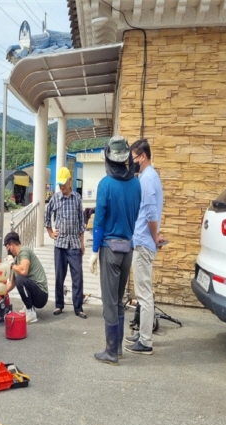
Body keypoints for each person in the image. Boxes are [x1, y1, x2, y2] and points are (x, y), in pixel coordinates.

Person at [89, 136, 141, 366]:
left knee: (109, 302)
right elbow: (136, 215)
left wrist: (93, 251)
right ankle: (118, 349)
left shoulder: (105, 184)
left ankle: (111, 352)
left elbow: (98, 220)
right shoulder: (136, 183)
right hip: (128, 249)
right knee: (119, 300)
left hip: (109, 249)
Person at [125, 139, 165, 356]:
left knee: (144, 295)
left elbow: (150, 213)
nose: (132, 162)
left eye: (133, 157)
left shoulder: (148, 178)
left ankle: (146, 341)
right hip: (143, 241)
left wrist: (154, 235)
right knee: (143, 292)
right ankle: (142, 334)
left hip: (143, 242)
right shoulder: (149, 177)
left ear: (142, 156)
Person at [44, 166, 86, 318]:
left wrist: (82, 242)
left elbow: (82, 222)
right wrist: (50, 232)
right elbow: (46, 216)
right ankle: (59, 305)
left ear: (70, 181)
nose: (62, 187)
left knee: (77, 276)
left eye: (64, 183)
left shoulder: (77, 198)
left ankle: (78, 308)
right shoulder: (55, 198)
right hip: (60, 244)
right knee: (59, 276)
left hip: (74, 243)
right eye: (60, 184)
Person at [4, 231, 48, 324]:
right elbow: (11, 284)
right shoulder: (15, 260)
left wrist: (11, 264)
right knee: (19, 280)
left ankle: (31, 311)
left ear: (11, 245)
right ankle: (29, 306)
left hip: (41, 294)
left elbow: (24, 272)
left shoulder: (24, 251)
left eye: (7, 248)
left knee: (20, 280)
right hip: (35, 292)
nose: (8, 251)